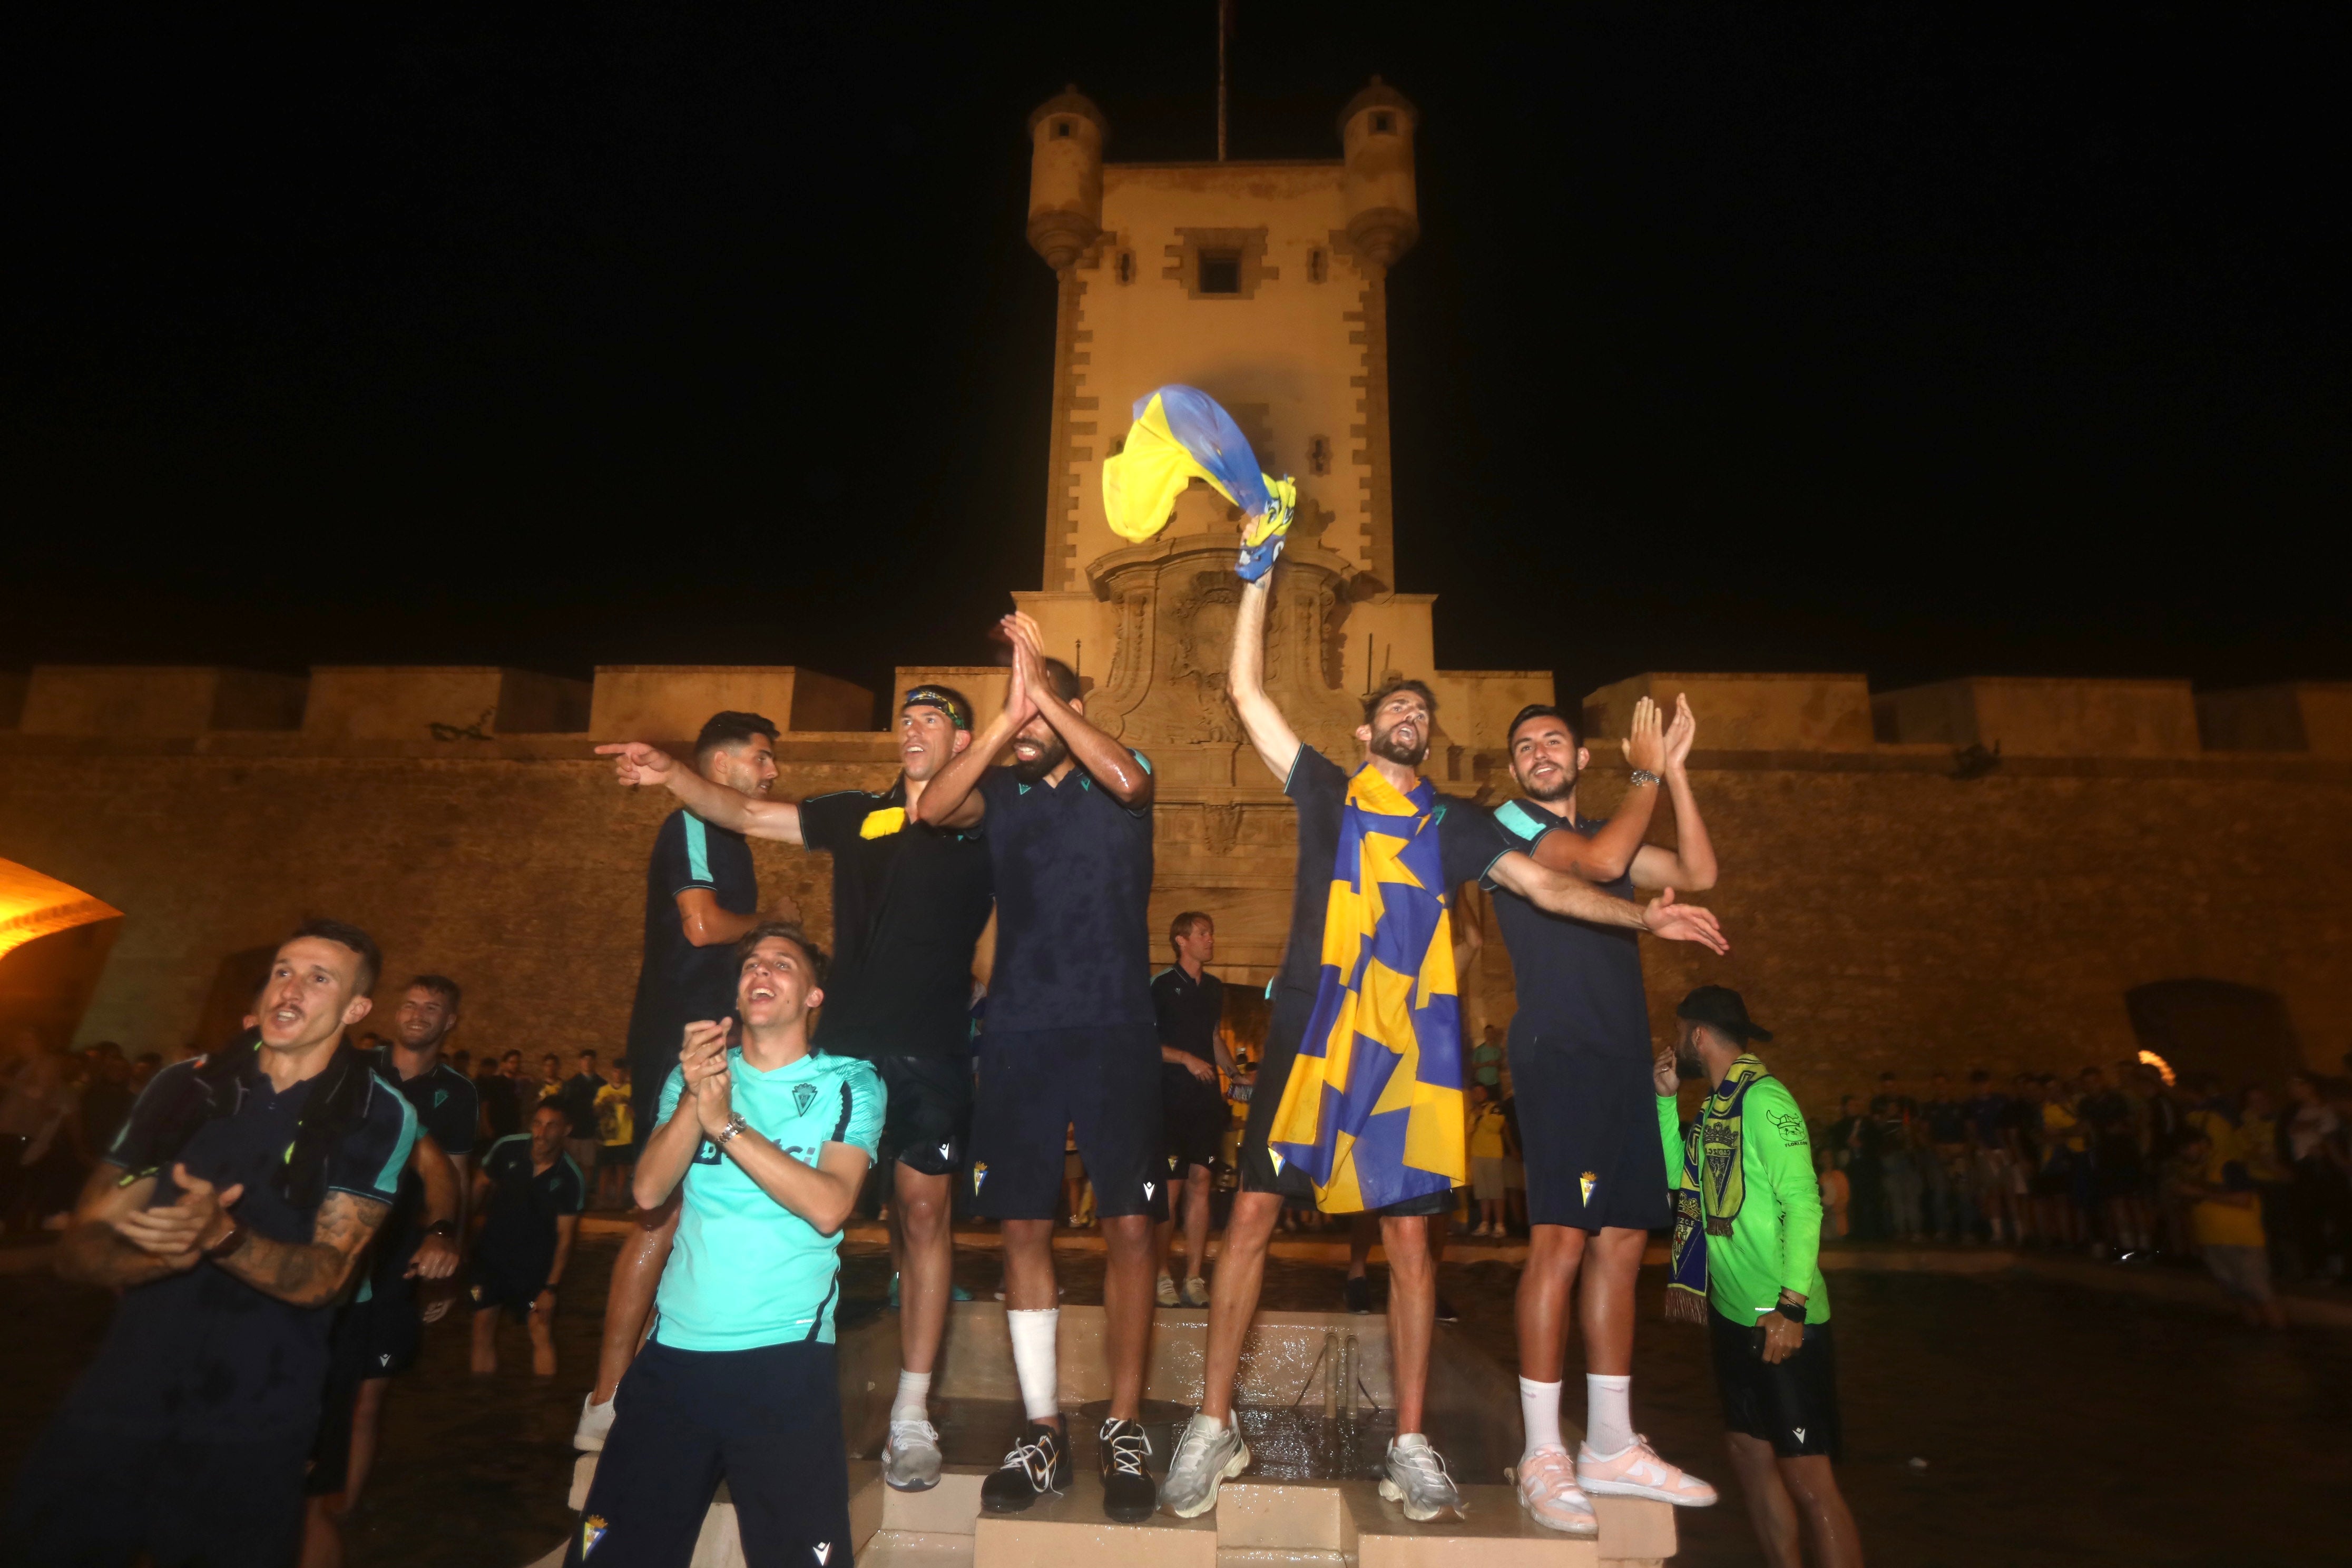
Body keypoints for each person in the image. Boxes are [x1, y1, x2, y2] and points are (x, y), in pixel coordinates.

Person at [1161, 563, 1730, 1525]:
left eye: (1422, 710)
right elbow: (1246, 692)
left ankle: (1409, 1443)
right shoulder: (1324, 789)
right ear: (1363, 730)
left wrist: (1643, 921)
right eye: (1395, 705)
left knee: (1411, 1242)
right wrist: (1255, 580)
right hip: (1311, 1026)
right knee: (1250, 1220)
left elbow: (1555, 885)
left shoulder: (1458, 824)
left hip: (1408, 1046)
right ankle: (1211, 1427)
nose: (1411, 715)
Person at [600, 682, 994, 1495]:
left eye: (934, 721)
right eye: (907, 719)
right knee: (792, 1201)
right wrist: (670, 774)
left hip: (927, 1048)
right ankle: (750, 1368)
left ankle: (913, 1412)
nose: (914, 730)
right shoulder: (856, 813)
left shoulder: (975, 812)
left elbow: (949, 813)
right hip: (844, 1046)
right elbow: (745, 816)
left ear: (962, 741)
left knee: (923, 1214)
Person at [5, 921, 416, 1568]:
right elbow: (79, 1247)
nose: (292, 988)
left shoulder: (377, 1110)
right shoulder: (184, 1086)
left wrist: (220, 1236)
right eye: (284, 970)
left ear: (356, 1009)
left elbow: (327, 1278)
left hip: (259, 1406)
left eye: (319, 979)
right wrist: (147, 1258)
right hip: (123, 1388)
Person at [914, 615, 1163, 1523]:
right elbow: (928, 808)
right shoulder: (1000, 795)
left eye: (1033, 715)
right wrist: (1002, 719)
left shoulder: (1117, 776)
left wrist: (1047, 699)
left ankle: (1125, 1426)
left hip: (1113, 1024)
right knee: (1022, 1224)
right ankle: (1042, 1427)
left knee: (1131, 1227)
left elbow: (1130, 780)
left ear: (1070, 707)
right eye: (1014, 716)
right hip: (1019, 1027)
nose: (1020, 731)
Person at [1478, 695, 1722, 1531]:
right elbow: (1592, 862)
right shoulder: (1510, 826)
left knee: (1621, 1243)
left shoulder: (1613, 844)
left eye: (1554, 741)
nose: (1538, 752)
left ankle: (1611, 1445)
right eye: (1525, 746)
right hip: (1560, 1055)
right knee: (1561, 1241)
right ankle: (1543, 1451)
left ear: (1584, 761)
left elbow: (1697, 873)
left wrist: (1679, 775)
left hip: (1623, 1057)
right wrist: (1649, 772)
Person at [565, 923, 881, 1568]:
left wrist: (727, 1126)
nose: (761, 973)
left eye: (783, 965)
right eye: (751, 966)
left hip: (785, 1358)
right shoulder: (695, 1077)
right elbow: (650, 1190)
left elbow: (829, 1206)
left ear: (814, 997)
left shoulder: (849, 1083)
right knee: (610, 1555)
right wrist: (696, 1093)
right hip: (673, 1358)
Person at [573, 711, 784, 1452]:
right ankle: (605, 1398)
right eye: (762, 759)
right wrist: (772, 927)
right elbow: (701, 926)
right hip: (682, 1038)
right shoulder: (693, 824)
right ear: (720, 765)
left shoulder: (726, 836)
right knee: (658, 1213)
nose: (771, 773)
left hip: (706, 1035)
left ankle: (663, 1383)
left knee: (693, 1210)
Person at [1660, 987, 1861, 1568]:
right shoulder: (1716, 1110)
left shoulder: (1767, 1102)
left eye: (1679, 1033)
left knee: (1810, 1481)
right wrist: (1664, 1103)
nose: (1675, 1045)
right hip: (1730, 1316)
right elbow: (1680, 1183)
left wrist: (1792, 1307)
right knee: (1750, 1460)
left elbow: (1804, 1203)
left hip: (1782, 1321)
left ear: (1698, 1036)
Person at [306, 974, 478, 1555]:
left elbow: (453, 1176)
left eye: (433, 1007)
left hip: (402, 1254)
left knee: (368, 1395)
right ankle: (302, 1503)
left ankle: (341, 1511)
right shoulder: (353, 1066)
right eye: (411, 1003)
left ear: (449, 1021)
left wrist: (449, 1256)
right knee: (309, 1379)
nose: (419, 1014)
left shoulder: (458, 1093)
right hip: (329, 1243)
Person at [1154, 910, 1236, 1308]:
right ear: (1181, 941)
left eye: (1212, 932)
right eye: (1203, 933)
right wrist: (1185, 1057)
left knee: (1202, 1181)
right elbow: (1142, 1044)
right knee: (1170, 1188)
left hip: (1205, 1100)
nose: (1211, 939)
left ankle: (1194, 1276)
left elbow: (1214, 1037)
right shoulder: (1161, 986)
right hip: (1170, 1098)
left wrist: (1234, 1074)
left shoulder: (1216, 987)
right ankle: (1160, 1273)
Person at [469, 1101, 586, 1375]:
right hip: (490, 1257)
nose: (541, 1132)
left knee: (540, 1329)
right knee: (482, 1324)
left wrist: (552, 1288)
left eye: (551, 1125)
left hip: (535, 1266)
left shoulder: (570, 1178)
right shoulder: (507, 1148)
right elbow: (478, 1186)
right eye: (537, 1123)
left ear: (566, 1130)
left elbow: (566, 1238)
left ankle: (542, 1402)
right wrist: (461, 1235)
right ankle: (481, 1397)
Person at [2166, 1125, 2287, 1329]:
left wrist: (2200, 1194)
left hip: (2243, 1240)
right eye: (2181, 1149)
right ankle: (2255, 1337)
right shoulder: (2188, 1172)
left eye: (2188, 1147)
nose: (2184, 1153)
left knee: (2259, 1292)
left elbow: (2244, 1200)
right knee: (2235, 1293)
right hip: (2212, 1240)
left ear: (2204, 1144)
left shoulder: (2228, 1166)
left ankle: (2279, 1335)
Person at [558, 1049, 610, 1181]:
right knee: (572, 1165)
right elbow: (564, 1108)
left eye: (590, 1060)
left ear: (595, 1062)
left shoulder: (602, 1084)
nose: (587, 1063)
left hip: (591, 1133)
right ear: (580, 1062)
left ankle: (584, 1194)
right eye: (584, 1059)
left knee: (589, 1166)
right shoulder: (571, 1084)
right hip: (573, 1132)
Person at [1467, 1085, 1508, 1238]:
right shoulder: (1472, 1111)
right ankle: (1485, 1224)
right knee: (1482, 1192)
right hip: (1477, 1155)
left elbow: (1496, 1127)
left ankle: (1500, 1225)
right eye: (1474, 1092)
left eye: (1479, 1092)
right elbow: (1469, 1130)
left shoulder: (1495, 1107)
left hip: (1493, 1155)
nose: (1476, 1095)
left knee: (1496, 1191)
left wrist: (1482, 1117)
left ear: (1485, 1093)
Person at [596, 1062, 637, 1210]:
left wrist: (626, 1103)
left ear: (625, 1074)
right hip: (607, 1137)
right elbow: (596, 1113)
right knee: (605, 1169)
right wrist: (606, 1102)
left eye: (621, 1072)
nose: (617, 1075)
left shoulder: (631, 1090)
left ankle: (619, 1200)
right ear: (611, 1073)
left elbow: (636, 1114)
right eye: (615, 1072)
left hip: (625, 1136)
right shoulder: (603, 1091)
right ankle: (602, 1200)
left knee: (622, 1169)